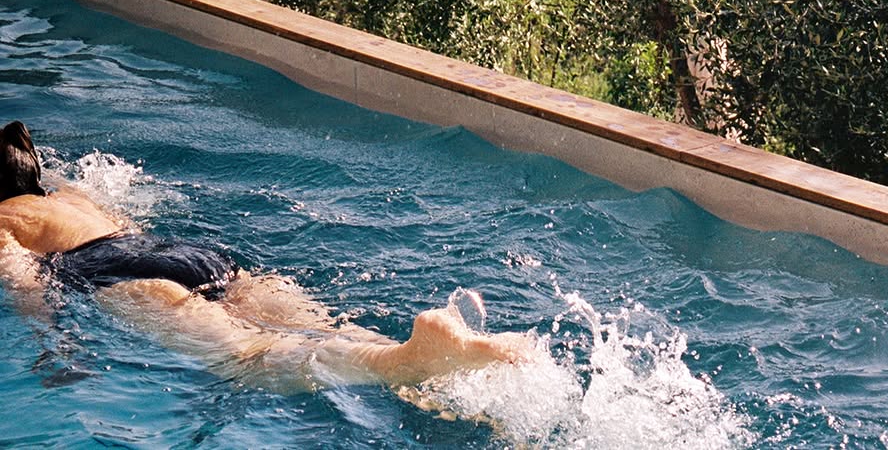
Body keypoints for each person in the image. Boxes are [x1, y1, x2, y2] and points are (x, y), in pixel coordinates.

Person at [0, 120, 533, 388]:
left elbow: (22, 277)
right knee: (321, 326)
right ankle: (422, 361)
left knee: (250, 356)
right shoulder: (70, 196)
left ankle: (406, 361)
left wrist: (52, 342)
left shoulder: (4, 220)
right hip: (189, 255)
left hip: (112, 273)